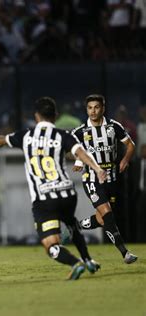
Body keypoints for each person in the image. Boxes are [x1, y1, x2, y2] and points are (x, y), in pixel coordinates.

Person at [0, 97, 107, 280]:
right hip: (67, 194)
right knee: (71, 223)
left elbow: (2, 140)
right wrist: (97, 169)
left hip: (44, 199)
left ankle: (75, 263)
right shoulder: (63, 135)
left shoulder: (26, 135)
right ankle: (88, 260)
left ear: (36, 116)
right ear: (55, 116)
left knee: (52, 245)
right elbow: (81, 153)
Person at [71, 94, 137, 264]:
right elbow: (72, 149)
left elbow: (130, 145)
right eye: (90, 108)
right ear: (87, 109)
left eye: (96, 107)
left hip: (112, 179)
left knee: (102, 219)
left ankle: (75, 226)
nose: (93, 111)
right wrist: (79, 160)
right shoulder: (80, 131)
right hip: (92, 179)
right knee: (107, 214)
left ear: (103, 108)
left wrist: (125, 160)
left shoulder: (114, 127)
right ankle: (125, 253)